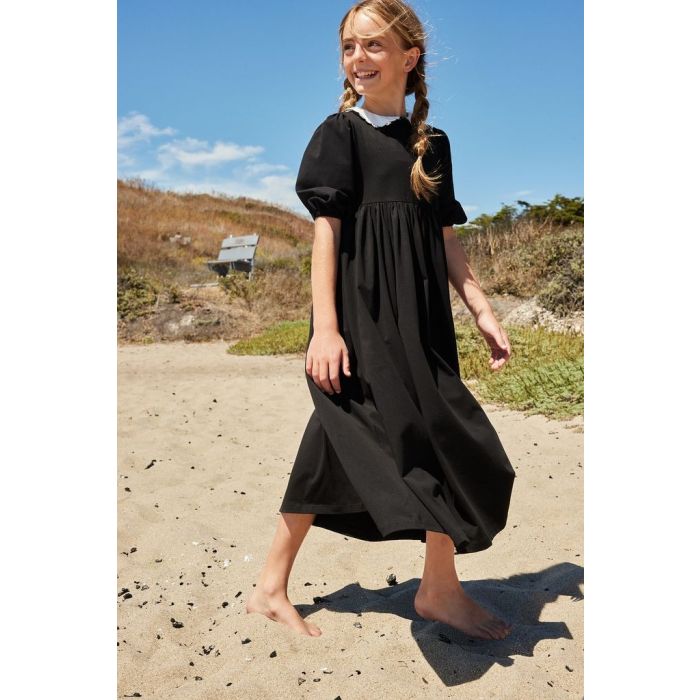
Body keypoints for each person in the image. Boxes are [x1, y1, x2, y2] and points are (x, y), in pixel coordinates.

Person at [246, 0, 515, 640]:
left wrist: (479, 306)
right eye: (349, 46)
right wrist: (327, 329)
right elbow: (327, 235)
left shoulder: (432, 145)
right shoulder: (339, 134)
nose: (357, 58)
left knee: (342, 437)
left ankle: (271, 587)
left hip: (422, 320)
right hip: (361, 319)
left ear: (409, 56)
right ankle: (438, 590)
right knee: (433, 433)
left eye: (373, 45)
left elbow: (445, 237)